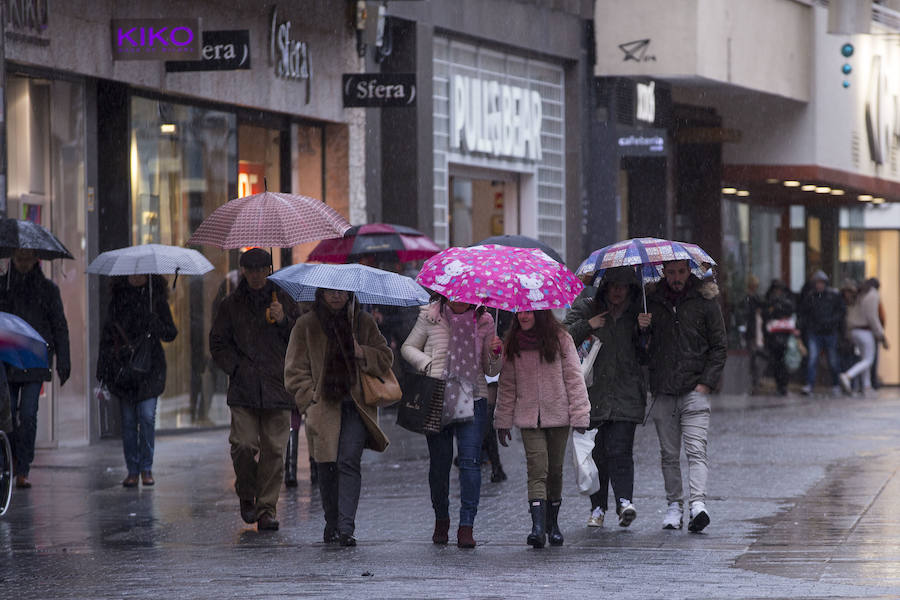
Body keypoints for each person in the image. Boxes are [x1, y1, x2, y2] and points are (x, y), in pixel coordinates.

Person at [284, 288, 393, 547]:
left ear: (349, 294)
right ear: (320, 294)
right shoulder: (306, 324)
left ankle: (346, 528)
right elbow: (294, 369)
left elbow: (386, 358)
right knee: (327, 464)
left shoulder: (362, 322)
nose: (336, 297)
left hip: (356, 405)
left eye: (341, 292)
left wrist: (362, 352)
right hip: (323, 405)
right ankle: (331, 522)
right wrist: (309, 399)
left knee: (348, 460)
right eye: (330, 292)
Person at [209, 249, 300, 532]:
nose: (257, 275)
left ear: (269, 270)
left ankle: (266, 509)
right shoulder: (230, 305)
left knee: (274, 450)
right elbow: (218, 343)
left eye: (262, 269)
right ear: (243, 272)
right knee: (244, 445)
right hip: (244, 388)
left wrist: (284, 320)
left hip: (277, 387)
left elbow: (299, 337)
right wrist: (235, 368)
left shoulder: (283, 299)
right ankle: (246, 492)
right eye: (252, 270)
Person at [401, 296, 502, 548]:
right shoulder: (431, 315)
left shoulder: (485, 320)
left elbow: (490, 370)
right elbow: (408, 347)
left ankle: (466, 525)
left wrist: (496, 354)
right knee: (440, 464)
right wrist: (428, 363)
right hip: (437, 395)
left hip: (474, 396)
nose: (460, 297)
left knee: (470, 462)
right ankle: (441, 519)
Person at [642, 259, 726, 533]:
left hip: (694, 389)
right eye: (671, 272)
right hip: (664, 389)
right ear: (663, 273)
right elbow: (642, 351)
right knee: (668, 454)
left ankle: (697, 505)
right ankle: (674, 506)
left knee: (696, 450)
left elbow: (718, 346)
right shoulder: (652, 302)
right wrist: (641, 329)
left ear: (689, 271)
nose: (676, 277)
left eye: (680, 271)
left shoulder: (705, 301)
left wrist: (706, 383)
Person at [495, 310, 589, 548]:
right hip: (528, 418)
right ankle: (537, 528)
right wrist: (503, 420)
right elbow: (507, 385)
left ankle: (552, 525)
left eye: (528, 312)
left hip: (558, 416)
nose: (523, 316)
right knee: (538, 469)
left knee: (555, 470)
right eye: (519, 312)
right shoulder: (513, 342)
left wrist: (579, 414)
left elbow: (574, 378)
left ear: (540, 313)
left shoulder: (560, 338)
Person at [563, 266, 647, 529]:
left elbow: (648, 354)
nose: (618, 292)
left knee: (621, 450)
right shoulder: (588, 307)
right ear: (604, 287)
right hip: (593, 393)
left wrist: (644, 330)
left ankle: (624, 502)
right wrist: (589, 325)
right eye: (613, 286)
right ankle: (598, 507)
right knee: (597, 453)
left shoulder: (639, 312)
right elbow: (562, 337)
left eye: (623, 286)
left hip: (627, 393)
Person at [97, 274, 177, 487]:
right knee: (129, 422)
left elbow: (170, 333)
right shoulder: (118, 300)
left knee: (147, 417)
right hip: (125, 370)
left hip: (150, 368)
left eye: (141, 272)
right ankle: (132, 469)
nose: (137, 276)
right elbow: (107, 334)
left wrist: (156, 323)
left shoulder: (156, 299)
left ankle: (146, 468)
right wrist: (103, 367)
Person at [0, 249, 70, 489]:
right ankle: (11, 460)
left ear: (35, 260)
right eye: (19, 257)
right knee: (7, 415)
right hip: (7, 359)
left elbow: (59, 325)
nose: (23, 262)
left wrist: (64, 361)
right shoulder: (3, 286)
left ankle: (23, 467)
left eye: (27, 258)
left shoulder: (47, 290)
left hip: (34, 359)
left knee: (28, 414)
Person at [798, 270, 845, 396]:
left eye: (821, 283)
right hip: (815, 332)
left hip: (829, 332)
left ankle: (835, 384)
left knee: (832, 359)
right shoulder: (810, 297)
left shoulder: (832, 296)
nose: (819, 286)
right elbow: (804, 314)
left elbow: (841, 312)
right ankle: (810, 384)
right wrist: (804, 327)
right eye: (817, 283)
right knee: (812, 358)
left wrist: (832, 322)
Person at [839, 276, 887, 395]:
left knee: (864, 358)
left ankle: (866, 386)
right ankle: (848, 375)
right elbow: (872, 317)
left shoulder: (859, 293)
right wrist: (881, 335)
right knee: (868, 359)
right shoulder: (872, 294)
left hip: (854, 330)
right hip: (865, 330)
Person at [761, 280, 798, 396]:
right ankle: (780, 386)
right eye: (776, 290)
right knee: (777, 363)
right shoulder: (769, 300)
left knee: (783, 363)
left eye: (780, 290)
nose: (778, 292)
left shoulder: (786, 301)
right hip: (773, 336)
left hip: (784, 336)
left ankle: (783, 386)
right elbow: (766, 314)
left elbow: (789, 311)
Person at [741, 275, 766, 393]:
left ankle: (756, 380)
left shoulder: (752, 298)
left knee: (755, 356)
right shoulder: (750, 298)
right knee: (754, 356)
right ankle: (755, 381)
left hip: (755, 330)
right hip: (753, 330)